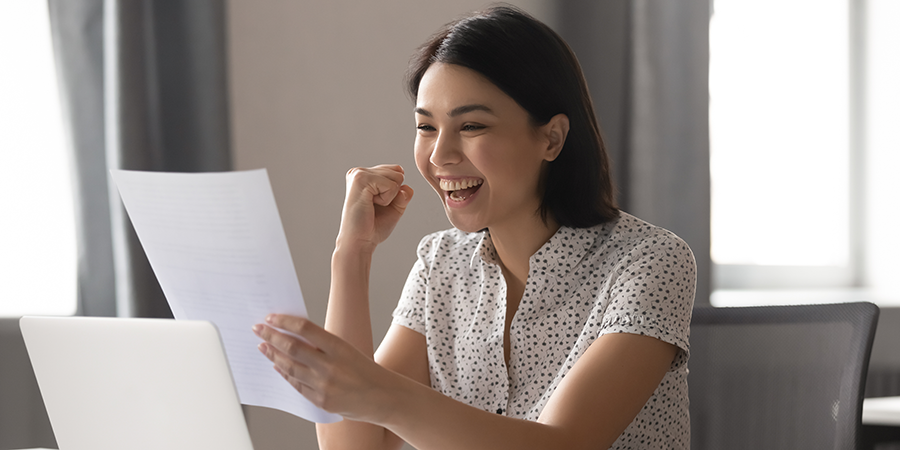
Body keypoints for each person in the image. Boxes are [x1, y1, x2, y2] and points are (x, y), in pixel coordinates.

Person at [253, 5, 696, 449]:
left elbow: (566, 443)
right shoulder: (440, 263)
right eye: (426, 126)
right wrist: (353, 252)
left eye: (471, 125)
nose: (440, 154)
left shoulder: (650, 261)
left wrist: (379, 394)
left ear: (552, 138)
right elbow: (354, 446)